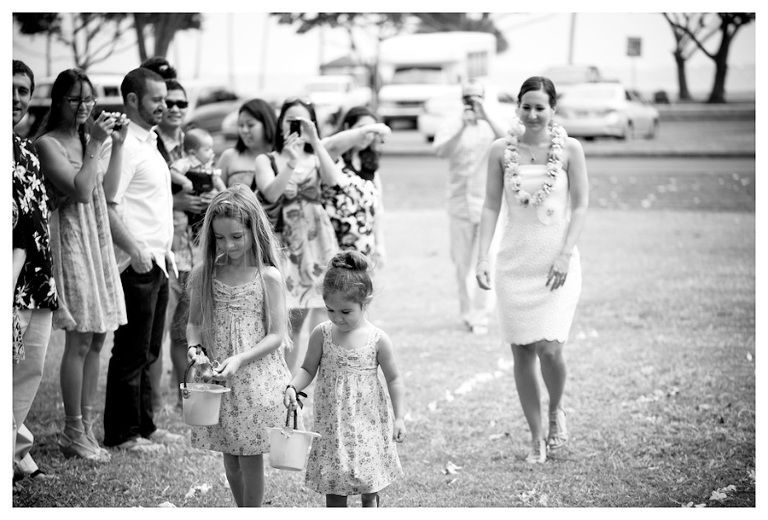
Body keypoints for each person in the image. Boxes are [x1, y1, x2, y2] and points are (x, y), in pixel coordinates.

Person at [476, 76, 588, 464]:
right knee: (523, 350)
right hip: (514, 262)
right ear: (517, 107)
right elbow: (491, 206)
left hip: (556, 261)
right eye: (526, 106)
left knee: (550, 348)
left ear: (553, 108)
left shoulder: (570, 149)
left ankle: (556, 409)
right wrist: (482, 257)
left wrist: (565, 253)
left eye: (541, 107)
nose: (533, 114)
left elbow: (582, 205)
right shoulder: (499, 150)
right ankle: (536, 436)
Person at [34, 68, 130, 462]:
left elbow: (105, 194)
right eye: (75, 99)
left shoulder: (89, 140)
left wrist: (117, 146)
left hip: (98, 239)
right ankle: (72, 429)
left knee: (98, 336)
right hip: (71, 240)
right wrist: (95, 145)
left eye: (88, 99)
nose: (84, 106)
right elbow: (79, 189)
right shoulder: (47, 143)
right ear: (58, 101)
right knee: (79, 337)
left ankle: (87, 427)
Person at [186, 185, 294, 507]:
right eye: (220, 238)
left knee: (248, 456)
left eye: (236, 236)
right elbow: (194, 323)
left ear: (253, 229)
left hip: (254, 378)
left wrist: (241, 358)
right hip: (219, 378)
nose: (228, 245)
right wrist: (195, 347)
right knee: (229, 455)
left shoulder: (268, 276)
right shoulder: (206, 273)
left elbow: (276, 335)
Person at [101, 66, 182, 452]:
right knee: (131, 353)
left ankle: (145, 427)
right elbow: (107, 206)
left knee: (149, 352)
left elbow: (151, 207)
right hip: (135, 265)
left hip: (158, 262)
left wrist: (164, 252)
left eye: (166, 99)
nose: (164, 106)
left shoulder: (149, 141)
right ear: (132, 100)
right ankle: (122, 434)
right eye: (157, 99)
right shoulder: (122, 145)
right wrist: (135, 252)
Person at [284, 250, 406, 507]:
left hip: (368, 422)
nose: (337, 318)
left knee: (368, 484)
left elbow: (394, 379)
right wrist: (293, 386)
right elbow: (307, 369)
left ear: (365, 302)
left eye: (346, 311)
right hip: (332, 424)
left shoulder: (378, 339)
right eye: (330, 310)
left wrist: (400, 417)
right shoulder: (322, 334)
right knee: (335, 484)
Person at [140, 58, 214, 412]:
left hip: (194, 250)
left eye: (182, 103)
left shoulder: (193, 143)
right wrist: (178, 199)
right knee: (158, 328)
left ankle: (182, 397)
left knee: (185, 330)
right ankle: (154, 403)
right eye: (168, 102)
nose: (175, 108)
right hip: (164, 248)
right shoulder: (151, 144)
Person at [253, 98, 341, 374]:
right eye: (290, 120)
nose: (295, 126)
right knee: (279, 318)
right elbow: (270, 193)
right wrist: (290, 164)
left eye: (303, 121)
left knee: (300, 321)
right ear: (280, 124)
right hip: (282, 241)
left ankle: (288, 384)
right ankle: (275, 377)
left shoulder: (317, 156)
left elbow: (334, 180)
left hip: (315, 242)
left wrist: (315, 141)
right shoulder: (266, 159)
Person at [12, 59, 59, 482]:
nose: (15, 98)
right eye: (7, 88)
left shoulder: (26, 150)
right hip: (8, 282)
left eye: (23, 90)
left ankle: (12, 449)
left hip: (38, 282)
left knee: (30, 371)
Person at [434, 79, 507, 336]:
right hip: (458, 204)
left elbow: (511, 142)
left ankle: (481, 315)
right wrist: (460, 127)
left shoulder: (494, 121)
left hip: (489, 204)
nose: (471, 102)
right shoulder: (453, 121)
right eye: (467, 97)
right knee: (461, 264)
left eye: (476, 97)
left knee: (487, 258)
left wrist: (485, 115)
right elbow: (440, 149)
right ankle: (467, 314)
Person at [322, 106, 390, 264]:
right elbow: (331, 145)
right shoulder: (332, 157)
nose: (367, 135)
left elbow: (378, 209)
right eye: (362, 128)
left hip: (365, 249)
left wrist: (380, 245)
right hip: (335, 248)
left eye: (372, 132)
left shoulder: (369, 165)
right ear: (347, 128)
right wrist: (370, 129)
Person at [216, 98, 277, 189]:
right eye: (241, 125)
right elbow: (214, 193)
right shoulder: (229, 156)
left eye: (250, 125)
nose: (244, 130)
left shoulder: (281, 156)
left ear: (266, 124)